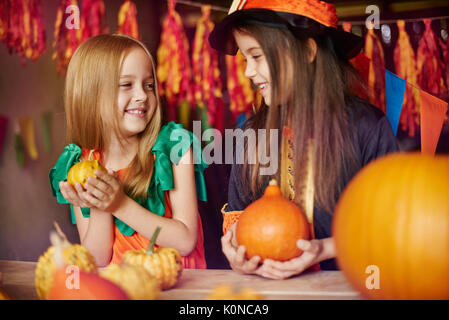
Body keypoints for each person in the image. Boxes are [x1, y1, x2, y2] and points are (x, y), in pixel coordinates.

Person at [209, 0, 399, 279]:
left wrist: (325, 248)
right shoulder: (252, 134)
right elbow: (241, 219)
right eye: (245, 59)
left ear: (308, 50)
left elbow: (393, 227)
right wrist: (238, 255)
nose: (248, 71)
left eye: (257, 56)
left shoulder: (367, 128)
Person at [49, 34, 208, 268]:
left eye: (149, 85)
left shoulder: (174, 147)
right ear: (90, 95)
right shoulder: (80, 164)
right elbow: (97, 259)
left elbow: (184, 241)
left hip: (181, 288)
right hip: (123, 288)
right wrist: (100, 204)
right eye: (126, 85)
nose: (142, 95)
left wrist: (118, 204)